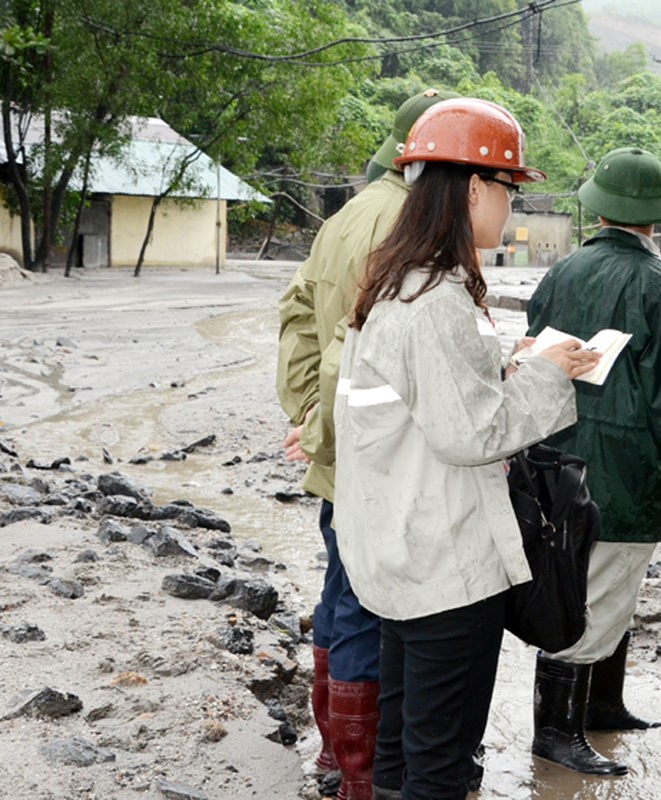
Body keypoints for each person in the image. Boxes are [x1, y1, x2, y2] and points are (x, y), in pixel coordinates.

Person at [331, 97, 601, 800]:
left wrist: (505, 365)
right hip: (443, 566)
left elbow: (426, 407)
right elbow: (471, 436)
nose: (510, 206)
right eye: (509, 189)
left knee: (400, 747)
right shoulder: (438, 300)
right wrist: (546, 371)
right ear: (474, 187)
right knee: (441, 763)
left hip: (396, 554)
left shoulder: (394, 282)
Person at [276, 88, 458, 800]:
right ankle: (361, 774)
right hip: (373, 456)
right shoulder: (407, 224)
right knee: (367, 607)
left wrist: (307, 416)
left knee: (338, 596)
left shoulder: (349, 214)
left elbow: (297, 316)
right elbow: (352, 347)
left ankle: (336, 756)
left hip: (338, 449)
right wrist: (325, 421)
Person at [524, 146, 661, 776]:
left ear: (597, 209)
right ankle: (557, 733)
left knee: (581, 587)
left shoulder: (561, 273)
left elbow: (533, 355)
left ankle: (604, 704)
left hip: (557, 462)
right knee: (602, 593)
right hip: (625, 473)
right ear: (655, 219)